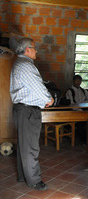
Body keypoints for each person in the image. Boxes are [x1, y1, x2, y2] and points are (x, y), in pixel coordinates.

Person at [10, 37, 54, 191]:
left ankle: (24, 176)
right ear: (27, 49)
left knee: (24, 145)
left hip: (23, 109)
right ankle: (34, 180)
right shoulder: (26, 65)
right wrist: (49, 99)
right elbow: (38, 88)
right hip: (28, 110)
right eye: (34, 47)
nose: (36, 50)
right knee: (30, 148)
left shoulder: (20, 64)